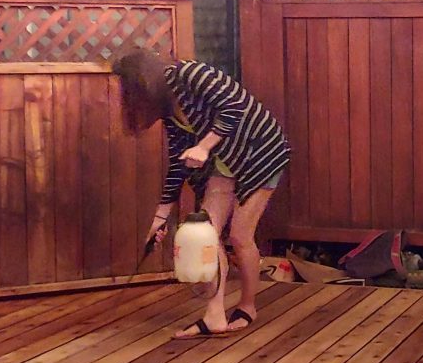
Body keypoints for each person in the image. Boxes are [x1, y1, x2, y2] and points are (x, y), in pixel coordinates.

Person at [112, 49, 290, 338]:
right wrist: (160, 216)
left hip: (260, 152)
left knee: (239, 236)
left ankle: (247, 306)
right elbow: (177, 163)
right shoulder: (169, 110)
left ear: (143, 81)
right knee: (207, 232)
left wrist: (204, 146)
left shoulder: (190, 74)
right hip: (225, 162)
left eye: (129, 88)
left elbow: (235, 106)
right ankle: (215, 315)